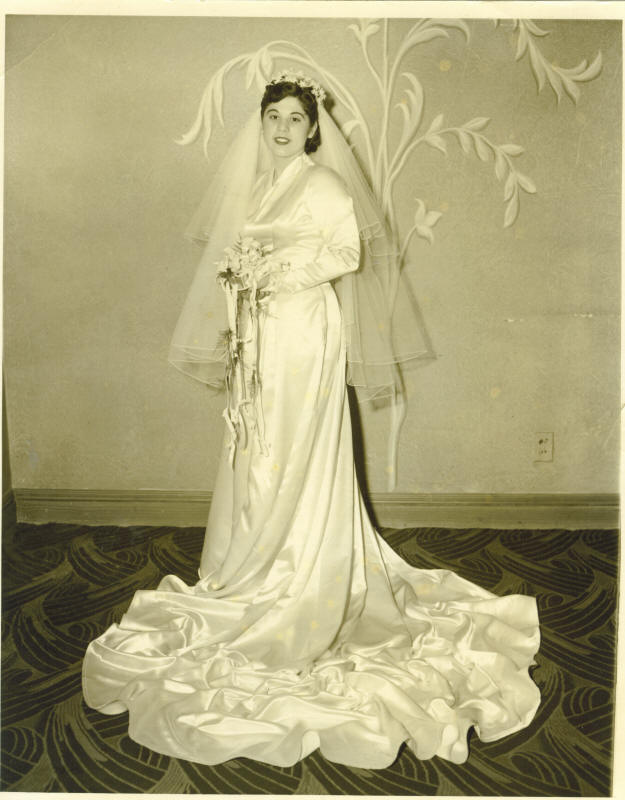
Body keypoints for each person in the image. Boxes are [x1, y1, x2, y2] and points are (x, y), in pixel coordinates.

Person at [82, 73, 540, 769]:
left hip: (304, 331)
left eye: (295, 118)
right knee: (257, 443)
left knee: (294, 445)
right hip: (263, 331)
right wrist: (244, 285)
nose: (282, 128)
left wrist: (277, 272)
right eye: (274, 116)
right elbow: (241, 255)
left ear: (312, 128)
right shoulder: (261, 184)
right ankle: (252, 562)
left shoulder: (324, 185)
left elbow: (345, 253)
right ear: (261, 122)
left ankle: (299, 571)